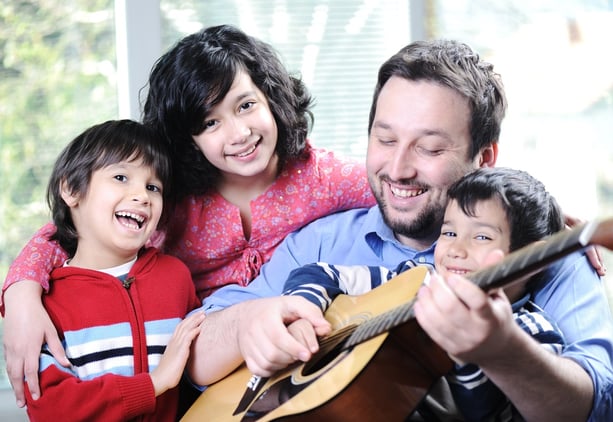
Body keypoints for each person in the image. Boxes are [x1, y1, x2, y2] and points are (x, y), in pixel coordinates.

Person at [185, 39, 613, 421]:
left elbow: (593, 407)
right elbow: (194, 354)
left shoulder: (549, 257)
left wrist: (504, 352)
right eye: (385, 139)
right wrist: (248, 326)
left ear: (484, 158)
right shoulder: (319, 242)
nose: (398, 169)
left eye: (429, 148)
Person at [1, 24, 374, 407]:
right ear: (188, 138)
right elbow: (71, 231)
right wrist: (21, 296)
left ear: (271, 97)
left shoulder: (321, 176)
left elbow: (397, 186)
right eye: (210, 123)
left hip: (296, 358)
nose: (239, 133)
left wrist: (443, 238)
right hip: (204, 375)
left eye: (246, 105)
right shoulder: (168, 197)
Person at [281, 167, 567, 421]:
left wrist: (472, 347)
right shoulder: (417, 281)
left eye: (481, 237)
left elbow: (481, 411)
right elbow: (319, 273)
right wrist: (303, 314)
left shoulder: (534, 333)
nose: (456, 250)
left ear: (533, 259)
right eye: (449, 233)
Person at [22, 119, 204, 420]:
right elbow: (51, 408)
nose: (142, 196)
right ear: (70, 189)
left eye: (153, 186)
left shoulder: (176, 277)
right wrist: (154, 385)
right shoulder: (48, 304)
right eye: (121, 177)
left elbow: (199, 373)